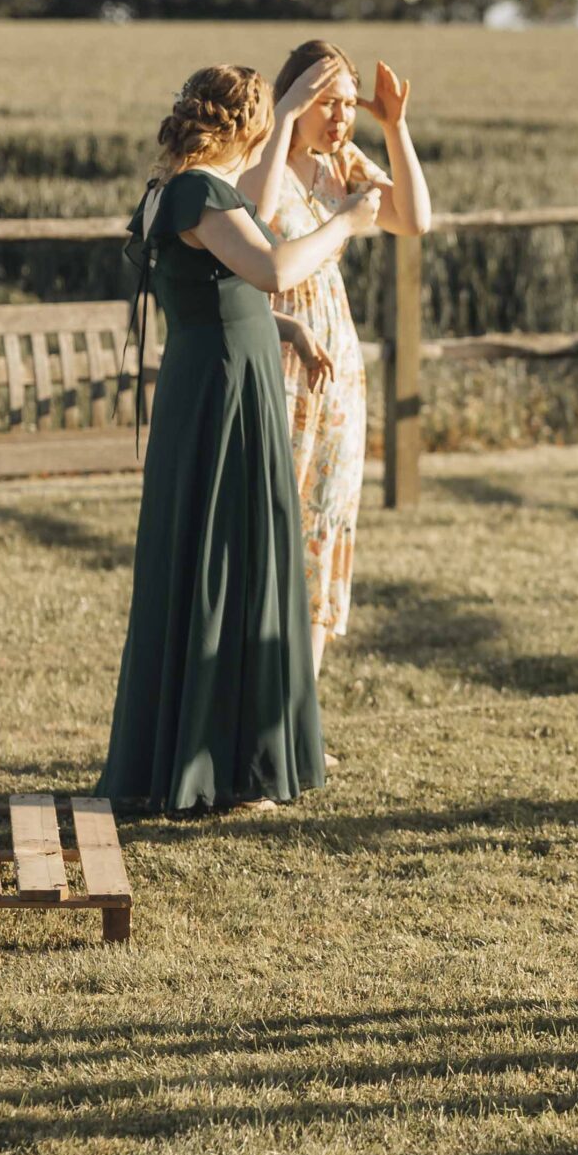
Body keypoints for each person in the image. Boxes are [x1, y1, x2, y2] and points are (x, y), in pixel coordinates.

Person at [97, 62, 384, 814]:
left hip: (226, 376)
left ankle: (227, 755)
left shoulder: (179, 189)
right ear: (250, 124)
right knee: (223, 562)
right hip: (222, 398)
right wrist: (348, 223)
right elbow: (273, 267)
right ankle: (224, 769)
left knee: (234, 559)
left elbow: (209, 292)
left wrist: (283, 328)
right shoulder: (196, 189)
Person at [242, 39, 432, 695]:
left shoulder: (341, 164)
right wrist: (285, 118)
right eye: (329, 103)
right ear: (295, 97)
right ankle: (254, 712)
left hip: (336, 369)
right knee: (273, 535)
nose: (340, 117)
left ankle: (298, 719)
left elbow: (413, 218)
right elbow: (257, 220)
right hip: (277, 362)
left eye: (348, 104)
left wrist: (395, 128)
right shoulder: (261, 161)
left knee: (322, 533)